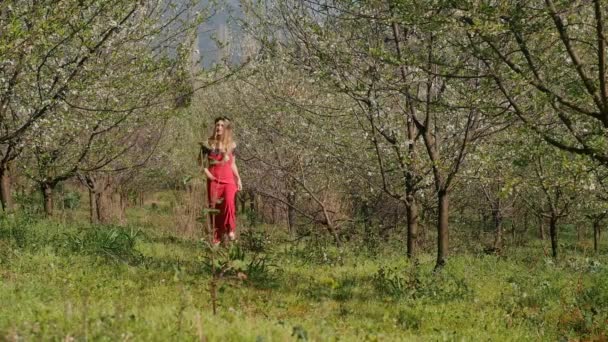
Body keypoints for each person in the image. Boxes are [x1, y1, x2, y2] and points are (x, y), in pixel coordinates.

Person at [199, 116, 242, 244]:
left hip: (228, 180)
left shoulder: (231, 145)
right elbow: (200, 163)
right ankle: (216, 238)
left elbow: (233, 164)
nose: (219, 127)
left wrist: (238, 178)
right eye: (217, 125)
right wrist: (209, 175)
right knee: (215, 208)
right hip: (214, 181)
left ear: (226, 129)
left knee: (229, 203)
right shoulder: (208, 143)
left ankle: (230, 230)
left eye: (222, 126)